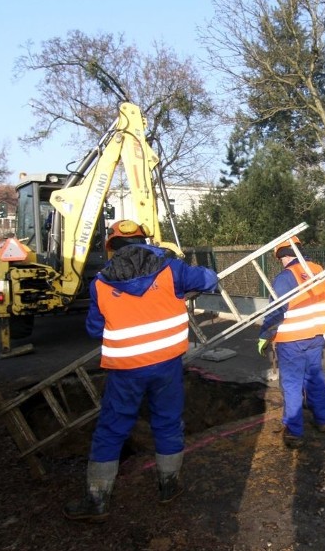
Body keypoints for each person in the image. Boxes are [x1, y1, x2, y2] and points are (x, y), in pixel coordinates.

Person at [64, 219, 218, 522]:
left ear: (112, 248)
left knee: (111, 429)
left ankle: (97, 500)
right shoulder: (170, 269)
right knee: (168, 422)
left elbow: (96, 329)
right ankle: (168, 487)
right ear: (144, 240)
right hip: (166, 365)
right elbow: (208, 279)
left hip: (126, 370)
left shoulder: (100, 283)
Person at [257, 236, 325, 449]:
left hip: (292, 340)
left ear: (283, 255)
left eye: (280, 257)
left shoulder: (285, 277)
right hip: (316, 335)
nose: (280, 262)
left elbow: (276, 311)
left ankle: (295, 432)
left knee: (291, 384)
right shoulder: (319, 270)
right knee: (315, 378)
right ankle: (322, 421)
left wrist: (264, 335)